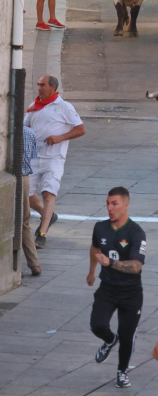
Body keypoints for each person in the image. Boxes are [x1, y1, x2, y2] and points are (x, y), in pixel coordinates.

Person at [87, 187, 147, 389]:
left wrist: (110, 263)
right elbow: (95, 248)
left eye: (115, 204)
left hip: (131, 292)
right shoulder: (100, 228)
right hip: (108, 288)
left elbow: (136, 266)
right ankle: (110, 340)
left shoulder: (136, 233)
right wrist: (91, 271)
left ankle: (122, 371)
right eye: (107, 203)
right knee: (97, 324)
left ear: (126, 205)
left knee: (127, 333)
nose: (110, 208)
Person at [24, 75, 85, 249]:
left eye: (42, 85)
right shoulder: (33, 107)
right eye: (38, 85)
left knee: (48, 193)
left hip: (54, 158)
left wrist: (60, 138)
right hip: (34, 157)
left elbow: (80, 129)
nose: (39, 88)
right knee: (26, 194)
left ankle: (41, 234)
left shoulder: (64, 107)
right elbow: (25, 127)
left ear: (53, 87)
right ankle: (47, 215)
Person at [22, 126, 42, 276]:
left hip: (11, 175)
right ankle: (34, 264)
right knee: (24, 223)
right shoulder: (29, 132)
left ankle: (12, 266)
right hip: (24, 179)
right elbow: (32, 156)